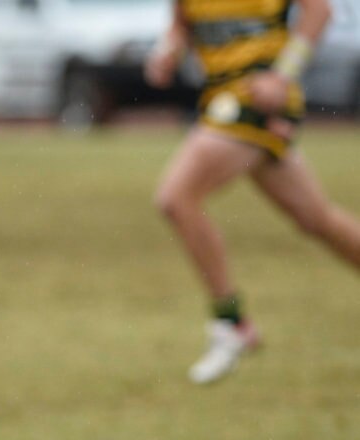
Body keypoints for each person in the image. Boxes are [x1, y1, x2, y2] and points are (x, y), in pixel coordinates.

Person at [145, 0, 360, 384]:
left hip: (256, 103)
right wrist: (167, 52)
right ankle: (233, 326)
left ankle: (231, 323)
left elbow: (319, 11)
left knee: (176, 198)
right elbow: (181, 25)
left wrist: (283, 77)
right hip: (218, 101)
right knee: (316, 219)